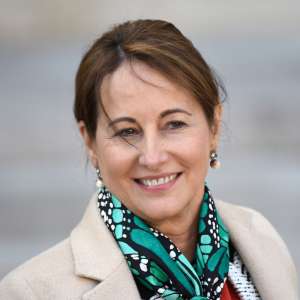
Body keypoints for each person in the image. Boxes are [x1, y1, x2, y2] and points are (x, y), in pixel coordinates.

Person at [0, 19, 298, 300]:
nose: (152, 157)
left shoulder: (259, 239)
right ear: (90, 142)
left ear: (214, 127)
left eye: (175, 124)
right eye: (127, 131)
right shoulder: (30, 291)